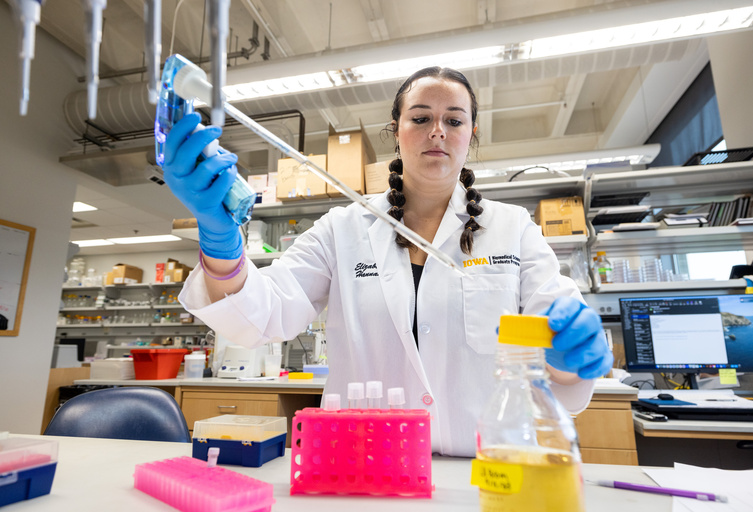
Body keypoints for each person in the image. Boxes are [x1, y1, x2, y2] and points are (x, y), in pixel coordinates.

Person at [163, 66, 613, 457]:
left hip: (482, 470)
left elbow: (555, 349)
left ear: (470, 134)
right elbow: (265, 314)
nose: (437, 130)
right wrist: (220, 240)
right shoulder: (343, 228)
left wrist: (570, 352)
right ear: (396, 130)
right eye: (421, 118)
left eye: (453, 120)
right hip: (363, 464)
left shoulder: (514, 228)